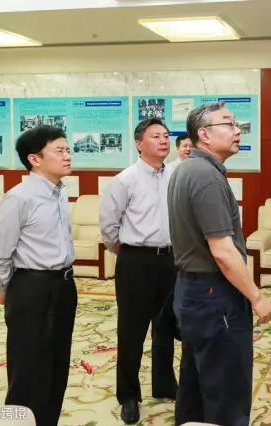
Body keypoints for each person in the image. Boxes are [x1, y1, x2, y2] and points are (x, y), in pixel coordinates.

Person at [168, 102, 271, 426]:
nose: (237, 130)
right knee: (227, 392)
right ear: (203, 134)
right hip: (214, 295)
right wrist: (256, 296)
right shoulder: (206, 177)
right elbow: (223, 252)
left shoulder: (186, 169)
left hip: (193, 291)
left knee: (196, 386)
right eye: (228, 124)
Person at [0, 125, 77, 426]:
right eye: (59, 151)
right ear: (34, 159)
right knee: (29, 368)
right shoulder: (19, 198)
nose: (67, 156)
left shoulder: (59, 192)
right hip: (32, 287)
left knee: (57, 363)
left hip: (64, 285)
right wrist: (10, 288)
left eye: (68, 150)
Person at [99, 118, 178, 424]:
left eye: (166, 135)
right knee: (132, 330)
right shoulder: (125, 179)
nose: (163, 140)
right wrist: (125, 251)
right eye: (155, 136)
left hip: (169, 260)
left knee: (166, 325)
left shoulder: (175, 175)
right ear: (138, 143)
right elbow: (109, 225)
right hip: (136, 261)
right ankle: (129, 395)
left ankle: (164, 383)